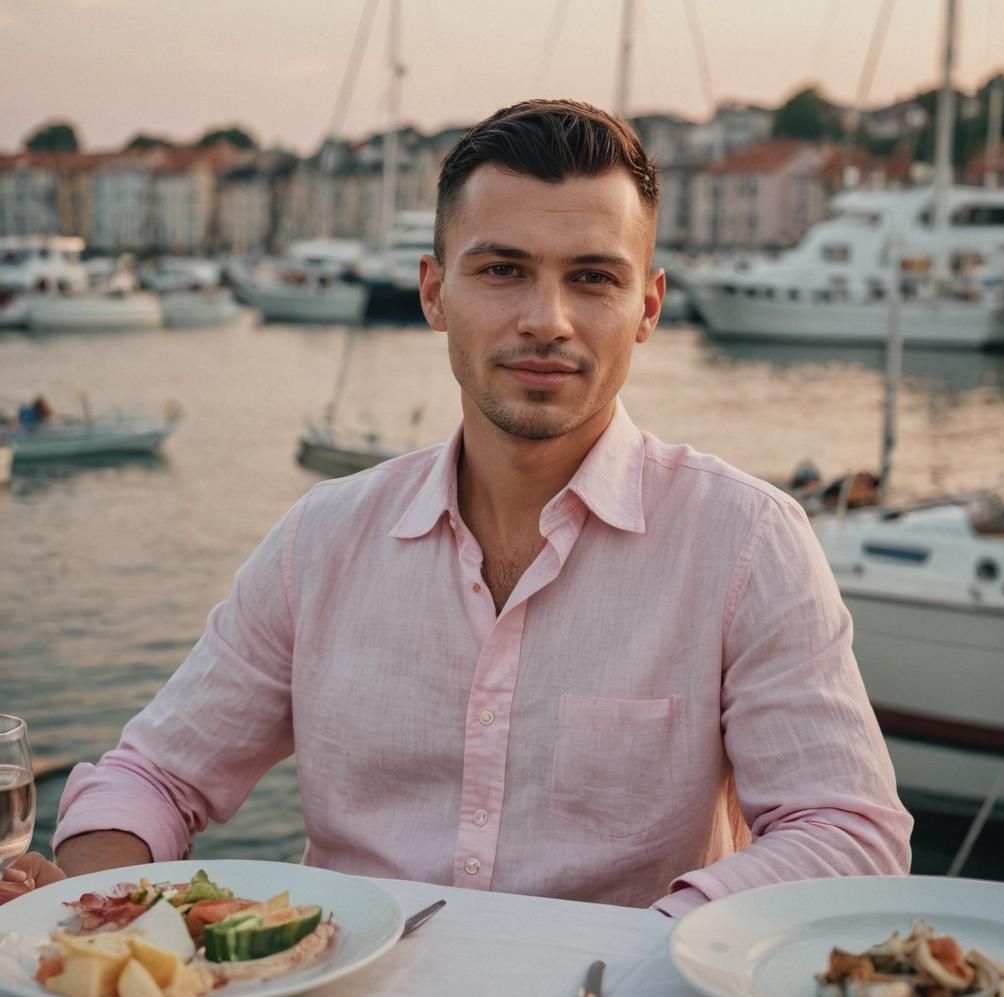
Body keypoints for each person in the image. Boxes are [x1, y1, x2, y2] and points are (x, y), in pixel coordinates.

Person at [1, 99, 911, 914]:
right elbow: (153, 775)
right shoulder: (323, 540)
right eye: (503, 270)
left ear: (649, 305)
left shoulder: (744, 543)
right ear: (435, 292)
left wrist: (657, 943)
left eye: (593, 277)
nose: (547, 318)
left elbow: (849, 836)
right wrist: (101, 901)